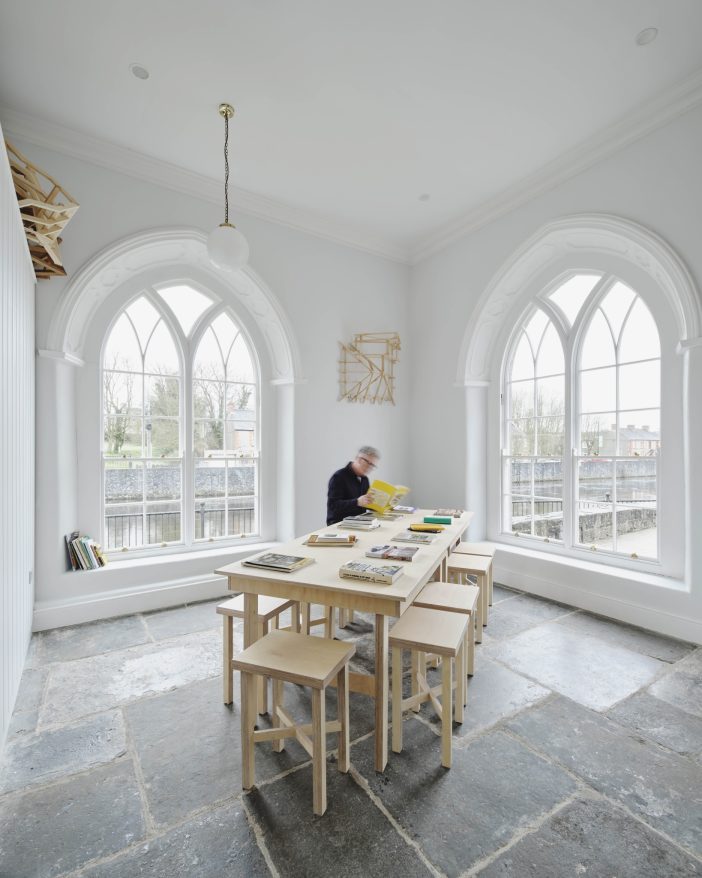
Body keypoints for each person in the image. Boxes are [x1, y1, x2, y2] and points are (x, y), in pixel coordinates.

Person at [326, 445, 380, 525]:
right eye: (368, 463)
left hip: (359, 523)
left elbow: (364, 503)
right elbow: (333, 506)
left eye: (372, 465)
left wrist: (380, 504)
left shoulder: (364, 479)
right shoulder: (339, 477)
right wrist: (357, 502)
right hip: (339, 525)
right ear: (358, 458)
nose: (369, 467)